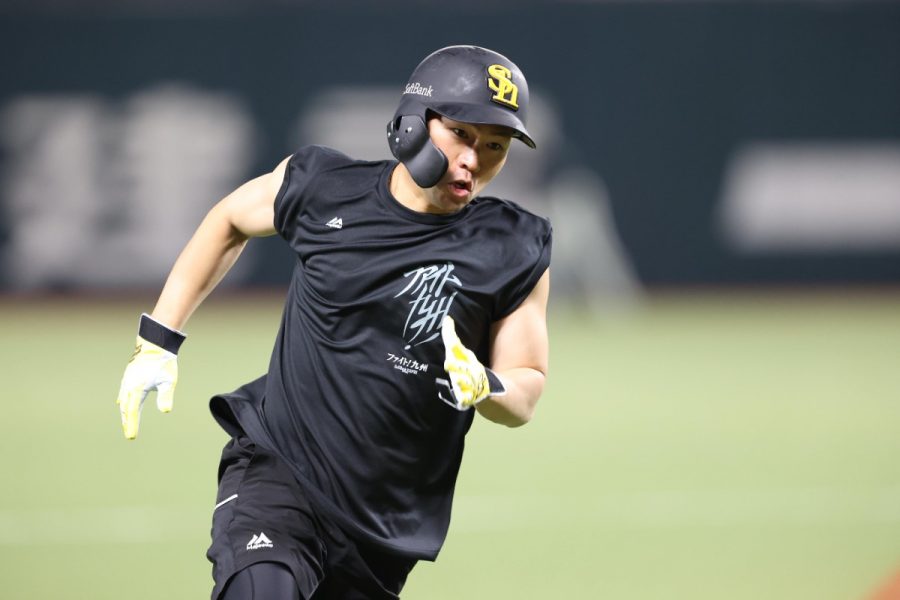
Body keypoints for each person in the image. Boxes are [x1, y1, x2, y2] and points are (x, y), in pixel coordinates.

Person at [116, 45, 552, 600]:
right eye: (461, 134)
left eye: (495, 146)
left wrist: (488, 385)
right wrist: (158, 340)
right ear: (414, 123)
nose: (474, 159)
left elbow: (527, 384)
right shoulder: (324, 186)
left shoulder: (512, 246)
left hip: (381, 531)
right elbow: (229, 219)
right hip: (279, 474)